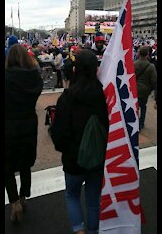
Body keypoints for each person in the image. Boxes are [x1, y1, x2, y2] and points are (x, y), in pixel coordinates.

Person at [51, 50, 109, 234]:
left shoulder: (67, 97)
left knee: (72, 195)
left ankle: (79, 230)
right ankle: (93, 231)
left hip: (73, 159)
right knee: (93, 201)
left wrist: (65, 148)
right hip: (98, 158)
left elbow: (58, 133)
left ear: (76, 70)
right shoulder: (105, 96)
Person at [5, 44, 43, 223]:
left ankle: (14, 203)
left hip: (8, 124)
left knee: (7, 166)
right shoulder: (35, 77)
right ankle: (23, 196)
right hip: (29, 122)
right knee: (26, 163)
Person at [134, 46, 157, 131]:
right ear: (147, 54)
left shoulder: (134, 64)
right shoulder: (151, 66)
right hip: (145, 90)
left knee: (135, 107)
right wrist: (150, 89)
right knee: (143, 107)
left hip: (135, 89)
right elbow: (154, 80)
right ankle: (141, 124)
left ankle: (134, 122)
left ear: (139, 54)